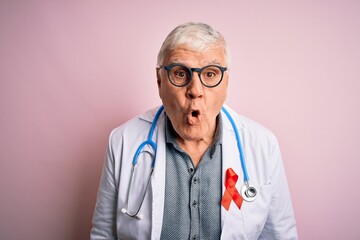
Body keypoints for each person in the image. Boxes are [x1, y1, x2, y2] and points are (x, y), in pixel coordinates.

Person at [90, 22, 298, 240]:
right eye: (180, 74)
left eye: (210, 74)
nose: (195, 91)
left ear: (226, 83)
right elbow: (103, 235)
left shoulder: (263, 145)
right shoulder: (123, 141)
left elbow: (281, 236)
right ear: (160, 81)